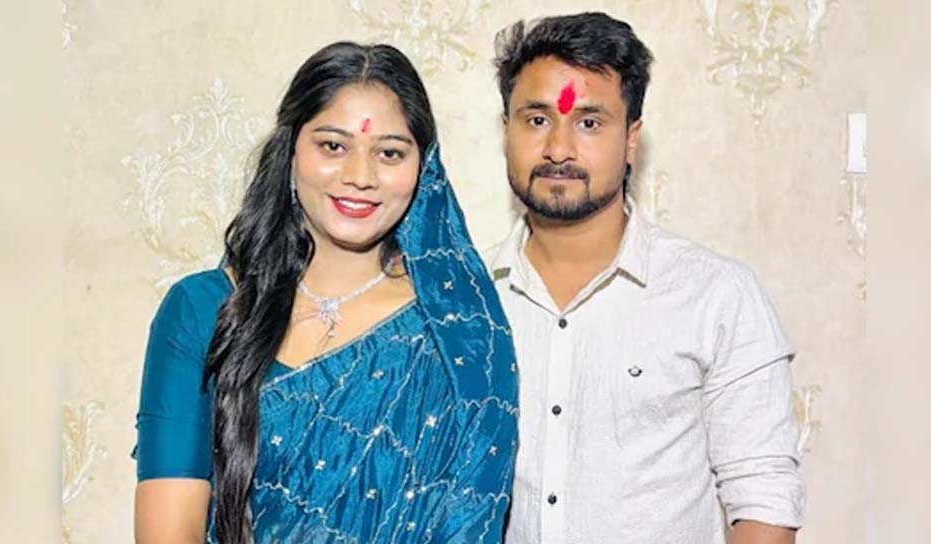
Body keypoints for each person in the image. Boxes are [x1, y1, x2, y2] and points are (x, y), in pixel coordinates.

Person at [132, 41, 518, 544]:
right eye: (333, 146)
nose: (360, 177)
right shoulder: (203, 309)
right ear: (291, 150)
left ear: (423, 168)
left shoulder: (459, 330)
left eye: (389, 153)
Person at [485, 13, 804, 543]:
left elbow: (764, 495)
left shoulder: (716, 296)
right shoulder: (470, 300)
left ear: (631, 139)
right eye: (537, 120)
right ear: (506, 132)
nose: (559, 149)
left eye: (589, 123)